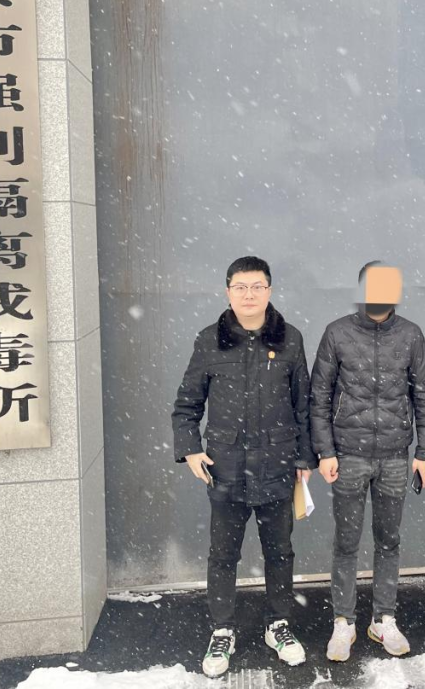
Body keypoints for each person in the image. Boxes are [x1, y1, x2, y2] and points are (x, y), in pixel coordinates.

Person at [171, 256, 314, 677]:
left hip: (277, 464)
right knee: (223, 554)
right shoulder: (209, 341)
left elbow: (303, 405)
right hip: (226, 467)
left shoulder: (290, 339)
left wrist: (304, 457)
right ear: (227, 291)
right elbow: (187, 404)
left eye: (257, 287)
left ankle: (278, 624)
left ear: (269, 291)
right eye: (240, 287)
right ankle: (223, 629)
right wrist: (190, 450)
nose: (249, 295)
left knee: (279, 551)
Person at [311, 262, 425, 661]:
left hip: (395, 458)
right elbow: (319, 397)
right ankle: (343, 621)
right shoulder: (337, 333)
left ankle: (384, 618)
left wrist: (424, 452)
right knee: (346, 542)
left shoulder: (410, 335)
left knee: (389, 540)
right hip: (348, 456)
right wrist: (325, 451)